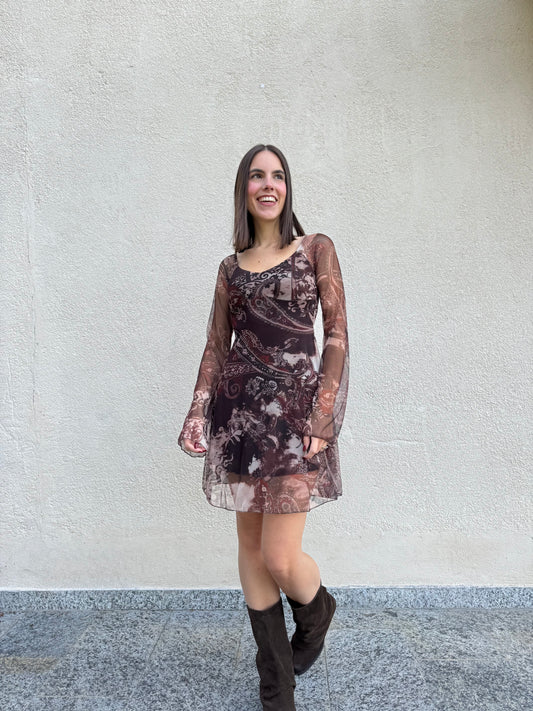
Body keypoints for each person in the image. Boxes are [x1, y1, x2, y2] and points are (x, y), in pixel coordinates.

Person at [178, 144, 349, 710]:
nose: (268, 184)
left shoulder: (315, 248)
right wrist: (198, 409)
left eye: (277, 175)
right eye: (257, 176)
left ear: (287, 187)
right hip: (239, 421)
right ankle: (276, 687)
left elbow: (336, 336)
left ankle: (317, 611)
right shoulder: (230, 269)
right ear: (244, 189)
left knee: (280, 557)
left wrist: (324, 413)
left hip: (297, 422)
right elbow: (215, 345)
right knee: (251, 551)